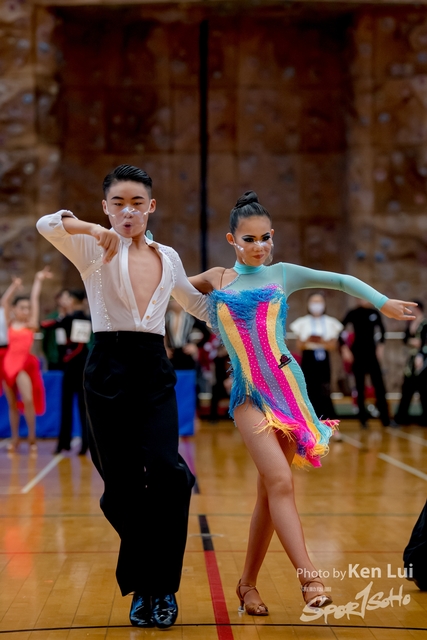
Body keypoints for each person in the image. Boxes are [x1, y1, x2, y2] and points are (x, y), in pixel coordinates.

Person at [188, 191, 416, 614]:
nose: (259, 246)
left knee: (269, 492)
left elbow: (341, 281)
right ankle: (310, 580)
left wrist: (383, 303)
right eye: (249, 239)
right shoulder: (217, 278)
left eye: (266, 237)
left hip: (289, 389)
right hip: (247, 395)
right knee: (279, 481)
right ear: (232, 239)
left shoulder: (282, 274)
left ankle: (247, 585)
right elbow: (167, 284)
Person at [36, 164, 208, 629]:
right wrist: (92, 228)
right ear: (106, 207)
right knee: (121, 486)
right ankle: (144, 586)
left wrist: (243, 306)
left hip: (153, 367)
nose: (127, 212)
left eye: (136, 203)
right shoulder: (92, 246)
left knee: (170, 475)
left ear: (151, 207)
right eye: (118, 204)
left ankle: (160, 587)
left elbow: (193, 303)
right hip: (106, 367)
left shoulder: (168, 256)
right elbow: (46, 224)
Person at [1, 268, 52, 452]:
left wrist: (38, 279)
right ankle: (15, 439)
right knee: (12, 404)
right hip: (8, 364)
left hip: (24, 365)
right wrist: (14, 286)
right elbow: (5, 301)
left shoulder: (30, 324)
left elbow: (34, 298)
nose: (26, 310)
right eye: (22, 307)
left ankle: (32, 438)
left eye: (27, 308)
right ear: (15, 310)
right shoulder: (10, 322)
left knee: (28, 400)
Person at [41, 289, 92, 454]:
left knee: (71, 405)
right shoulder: (82, 317)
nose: (63, 300)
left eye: (67, 297)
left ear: (73, 301)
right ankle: (79, 443)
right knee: (80, 405)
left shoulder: (71, 318)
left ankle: (69, 443)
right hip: (79, 365)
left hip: (74, 366)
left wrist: (66, 358)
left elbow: (45, 325)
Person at [290, 292, 343, 421]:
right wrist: (310, 341)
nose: (316, 305)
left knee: (324, 388)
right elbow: (299, 345)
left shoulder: (331, 322)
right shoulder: (302, 322)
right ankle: (309, 419)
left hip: (323, 358)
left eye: (319, 302)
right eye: (313, 302)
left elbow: (333, 345)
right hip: (309, 358)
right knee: (309, 387)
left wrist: (320, 342)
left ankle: (328, 420)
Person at [340, 299, 391, 428]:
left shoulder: (374, 313)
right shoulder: (353, 313)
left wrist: (380, 347)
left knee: (379, 386)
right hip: (357, 354)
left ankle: (385, 419)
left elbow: (382, 331)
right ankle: (363, 420)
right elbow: (340, 331)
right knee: (360, 387)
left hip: (371, 353)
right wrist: (345, 349)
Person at [394, 300, 427, 426]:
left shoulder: (425, 323)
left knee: (424, 389)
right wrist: (413, 342)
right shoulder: (412, 323)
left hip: (423, 359)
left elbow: (423, 342)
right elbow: (406, 339)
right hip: (412, 359)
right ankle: (401, 417)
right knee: (407, 387)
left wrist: (421, 353)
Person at [41, 289, 73, 371]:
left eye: (69, 298)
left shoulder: (74, 317)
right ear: (58, 299)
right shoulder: (51, 317)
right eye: (64, 298)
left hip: (71, 354)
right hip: (54, 355)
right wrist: (49, 354)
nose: (66, 301)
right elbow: (45, 339)